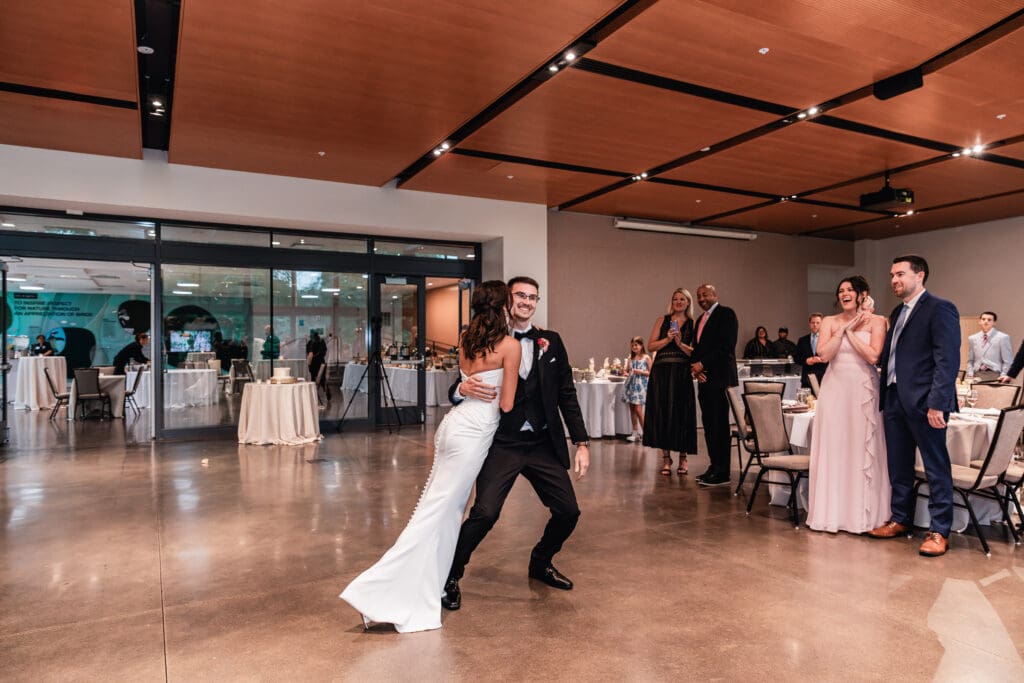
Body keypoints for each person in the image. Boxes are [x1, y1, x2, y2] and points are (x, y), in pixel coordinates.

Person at [339, 281, 520, 633]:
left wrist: (467, 387)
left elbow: (464, 381)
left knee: (447, 512)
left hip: (453, 427)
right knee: (438, 512)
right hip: (474, 433)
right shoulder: (510, 346)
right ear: (503, 308)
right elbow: (508, 403)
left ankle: (430, 584)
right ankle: (377, 591)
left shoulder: (467, 339)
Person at [441, 276, 590, 612]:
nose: (527, 301)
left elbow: (567, 393)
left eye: (533, 297)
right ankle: (450, 576)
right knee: (485, 513)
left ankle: (541, 561)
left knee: (568, 511)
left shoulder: (552, 341)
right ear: (507, 300)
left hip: (541, 443)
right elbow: (461, 382)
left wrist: (581, 442)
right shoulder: (488, 339)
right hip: (502, 443)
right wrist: (458, 391)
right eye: (520, 295)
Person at [868, 255, 959, 557]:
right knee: (899, 465)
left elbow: (947, 361)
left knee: (935, 467)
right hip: (894, 397)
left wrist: (938, 403)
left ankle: (939, 530)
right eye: (892, 275)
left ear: (920, 275)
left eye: (900, 274)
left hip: (925, 402)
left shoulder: (940, 308)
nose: (894, 280)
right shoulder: (897, 311)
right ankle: (900, 519)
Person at [806, 277, 890, 533]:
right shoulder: (830, 322)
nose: (844, 294)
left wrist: (852, 331)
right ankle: (833, 513)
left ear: (862, 294)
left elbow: (873, 355)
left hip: (864, 388)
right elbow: (825, 355)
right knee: (836, 447)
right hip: (835, 389)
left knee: (862, 447)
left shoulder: (877, 322)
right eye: (840, 290)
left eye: (849, 290)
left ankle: (863, 515)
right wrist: (844, 328)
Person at [642, 288, 697, 475]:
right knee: (662, 412)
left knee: (682, 413)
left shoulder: (693, 323)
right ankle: (666, 459)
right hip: (661, 372)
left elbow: (695, 352)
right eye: (675, 299)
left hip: (682, 372)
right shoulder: (662, 320)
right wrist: (668, 339)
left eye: (682, 299)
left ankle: (683, 458)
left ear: (688, 302)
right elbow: (650, 346)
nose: (678, 302)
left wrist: (680, 343)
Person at [690, 284, 739, 487]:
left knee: (719, 426)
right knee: (709, 427)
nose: (702, 298)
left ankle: (723, 472)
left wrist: (703, 364)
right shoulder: (700, 320)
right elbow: (697, 348)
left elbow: (726, 347)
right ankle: (714, 465)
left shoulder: (726, 314)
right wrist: (697, 369)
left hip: (720, 379)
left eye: (705, 294)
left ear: (715, 294)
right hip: (704, 380)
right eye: (699, 296)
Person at [966, 311, 1012, 381]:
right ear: (979, 321)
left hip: (995, 374)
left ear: (994, 323)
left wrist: (1004, 375)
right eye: (983, 319)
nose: (986, 321)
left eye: (989, 320)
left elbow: (1008, 360)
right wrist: (970, 373)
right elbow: (970, 360)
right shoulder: (972, 338)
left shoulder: (1002, 337)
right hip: (977, 374)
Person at [624, 336, 651, 444]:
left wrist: (640, 372)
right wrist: (626, 372)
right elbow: (627, 371)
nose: (634, 347)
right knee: (632, 410)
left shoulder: (646, 358)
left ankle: (646, 433)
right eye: (633, 345)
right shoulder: (631, 358)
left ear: (641, 345)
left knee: (639, 410)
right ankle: (635, 432)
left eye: (636, 345)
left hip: (641, 386)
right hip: (632, 385)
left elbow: (651, 372)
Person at [795, 313, 828, 389]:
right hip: (807, 379)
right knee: (807, 400)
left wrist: (822, 359)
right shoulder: (802, 340)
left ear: (822, 324)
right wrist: (806, 360)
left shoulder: (828, 339)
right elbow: (796, 358)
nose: (815, 325)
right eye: (813, 323)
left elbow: (832, 357)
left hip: (823, 377)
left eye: (817, 323)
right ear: (809, 324)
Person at [306, 329, 330, 399]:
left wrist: (308, 364)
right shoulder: (322, 341)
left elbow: (310, 355)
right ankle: (327, 393)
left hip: (313, 364)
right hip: (321, 363)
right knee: (322, 379)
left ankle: (313, 396)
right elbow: (325, 352)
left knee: (313, 379)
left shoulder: (310, 342)